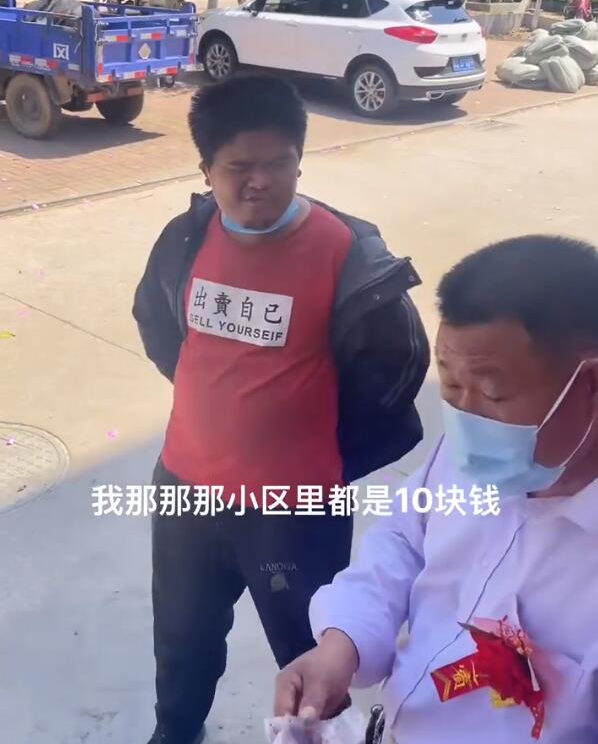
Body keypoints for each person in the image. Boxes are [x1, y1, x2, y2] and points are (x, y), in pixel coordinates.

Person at [132, 74, 429, 744]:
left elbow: (395, 368)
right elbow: (160, 327)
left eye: (278, 163)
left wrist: (321, 452)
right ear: (206, 170)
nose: (259, 181)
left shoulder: (348, 253)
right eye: (238, 167)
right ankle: (175, 730)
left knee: (310, 657)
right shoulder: (185, 240)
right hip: (185, 490)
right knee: (180, 633)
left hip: (294, 511)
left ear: (300, 159)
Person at [275, 235, 598, 743]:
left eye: (492, 392)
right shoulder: (476, 452)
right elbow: (403, 541)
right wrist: (341, 646)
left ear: (590, 384)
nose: (466, 416)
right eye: (450, 385)